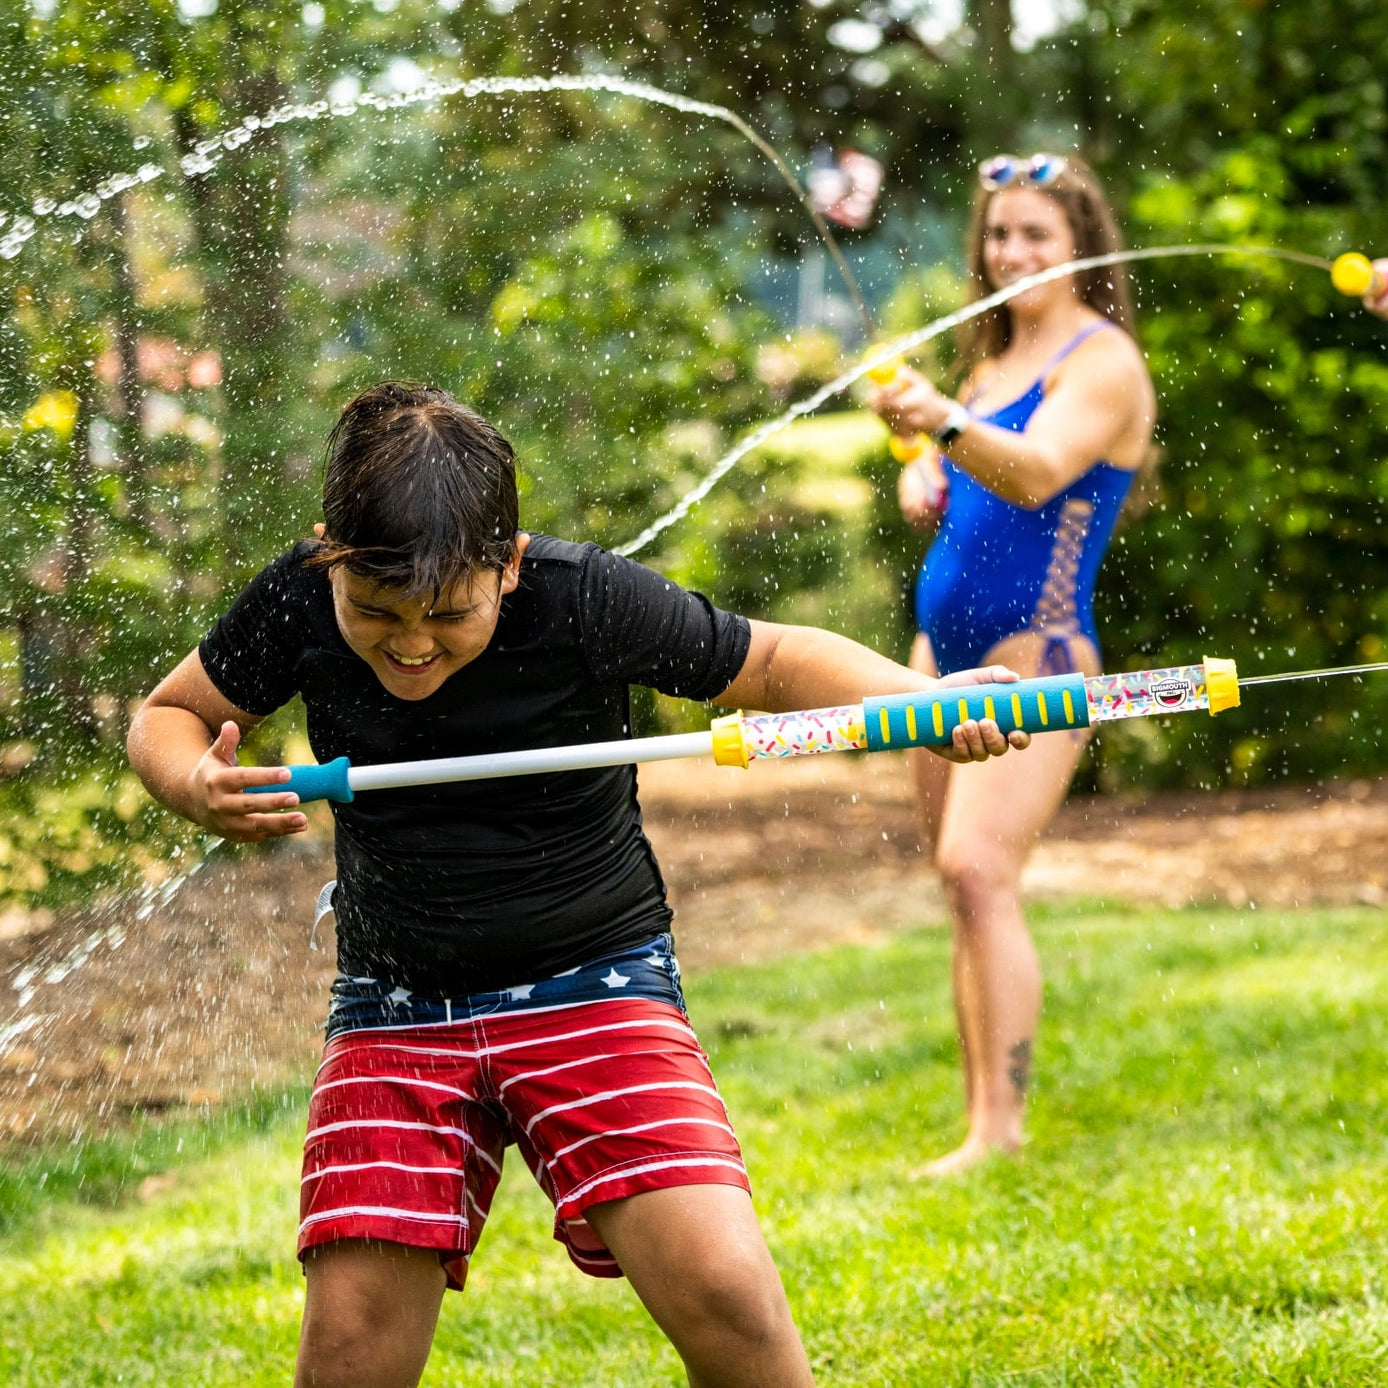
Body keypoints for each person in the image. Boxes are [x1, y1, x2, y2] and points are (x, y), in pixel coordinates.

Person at [126, 381, 1028, 1388]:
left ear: (507, 566)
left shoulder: (580, 594)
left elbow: (768, 662)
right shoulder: (296, 596)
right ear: (328, 550)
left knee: (724, 1286)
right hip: (394, 1004)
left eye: (447, 611)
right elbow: (165, 712)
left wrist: (919, 699)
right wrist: (190, 778)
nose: (412, 641)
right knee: (348, 1348)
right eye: (375, 610)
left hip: (591, 983)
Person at [867, 152, 1156, 1177]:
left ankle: (1000, 1131)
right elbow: (971, 471)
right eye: (998, 234)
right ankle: (976, 1117)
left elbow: (1033, 474)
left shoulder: (1100, 358)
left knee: (977, 868)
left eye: (1035, 233)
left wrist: (937, 423)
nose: (1012, 252)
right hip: (936, 654)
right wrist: (921, 467)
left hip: (1033, 650)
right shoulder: (989, 359)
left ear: (1078, 240)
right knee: (959, 886)